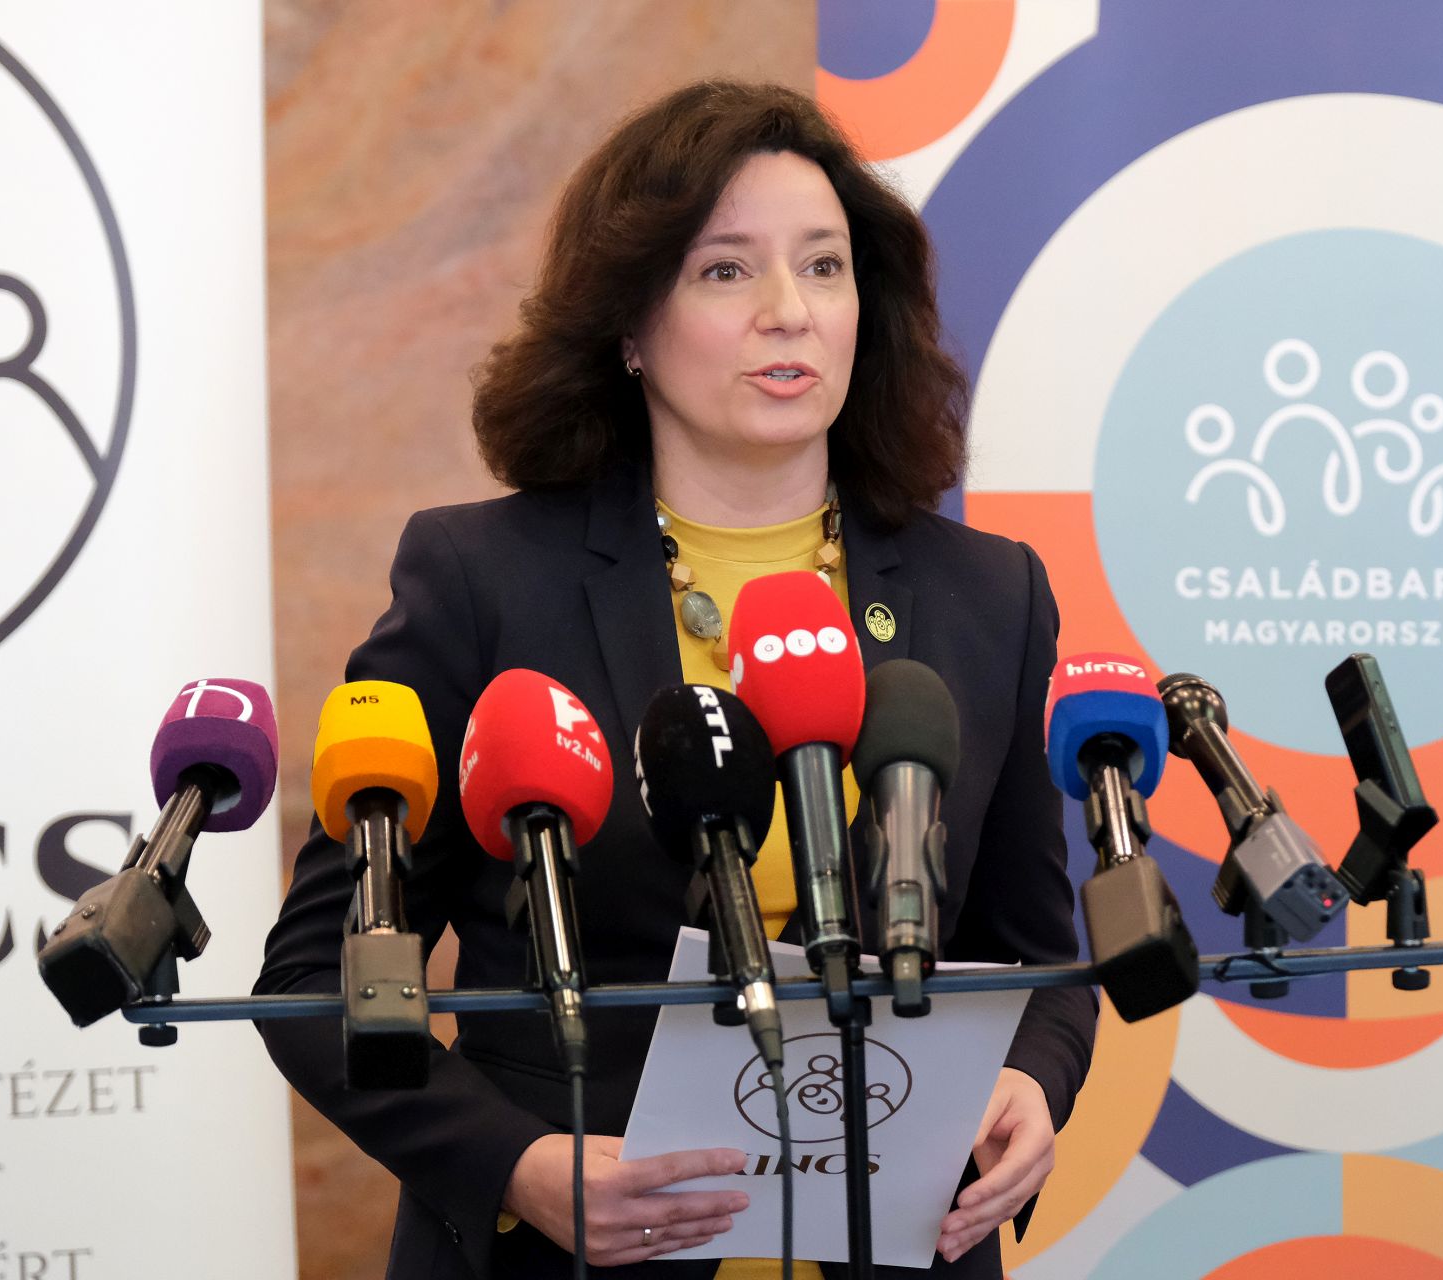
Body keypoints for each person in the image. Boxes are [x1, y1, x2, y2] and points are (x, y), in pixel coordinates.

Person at [255, 80, 1095, 1280]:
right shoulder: (486, 581)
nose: (788, 311)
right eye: (725, 270)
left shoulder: (989, 594)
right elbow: (313, 980)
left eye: (824, 266)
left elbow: (1039, 959)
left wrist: (1032, 1077)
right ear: (630, 328)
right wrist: (516, 1166)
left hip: (900, 1240)